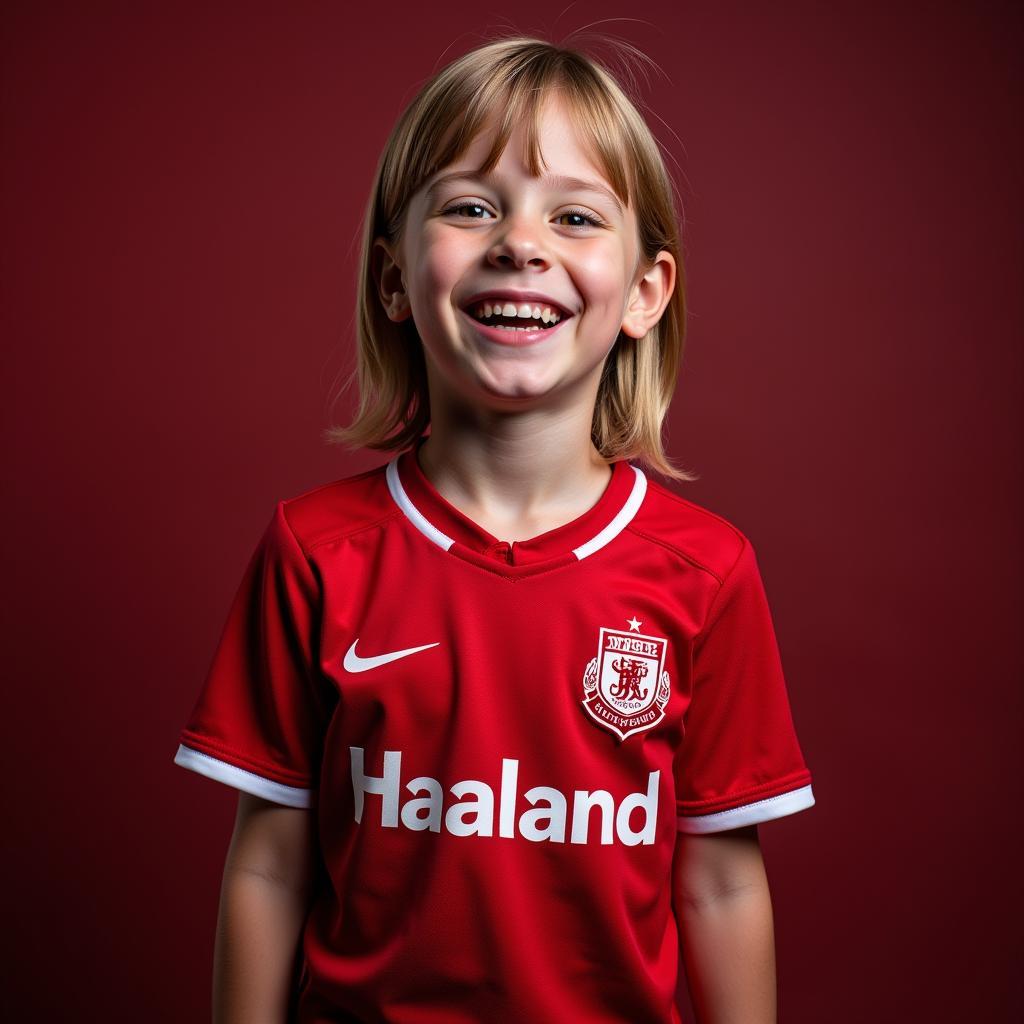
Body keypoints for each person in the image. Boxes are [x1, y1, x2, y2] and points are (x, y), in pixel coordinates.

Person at [173, 34, 815, 1024]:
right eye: (471, 207)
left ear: (645, 290)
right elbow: (269, 860)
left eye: (573, 215)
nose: (522, 242)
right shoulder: (314, 550)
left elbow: (720, 880)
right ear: (394, 279)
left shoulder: (705, 569)